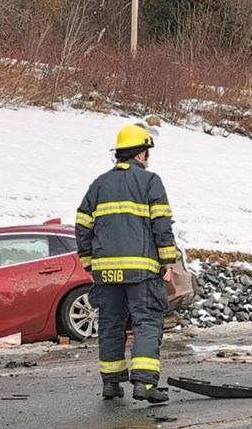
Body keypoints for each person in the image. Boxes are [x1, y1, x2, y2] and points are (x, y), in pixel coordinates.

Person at [76, 123, 179, 404]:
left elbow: (82, 225)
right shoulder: (150, 181)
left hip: (106, 272)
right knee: (147, 322)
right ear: (141, 154)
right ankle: (144, 385)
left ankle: (111, 383)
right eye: (147, 154)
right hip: (141, 270)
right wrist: (167, 261)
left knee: (111, 323)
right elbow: (161, 224)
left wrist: (89, 262)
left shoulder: (98, 184)